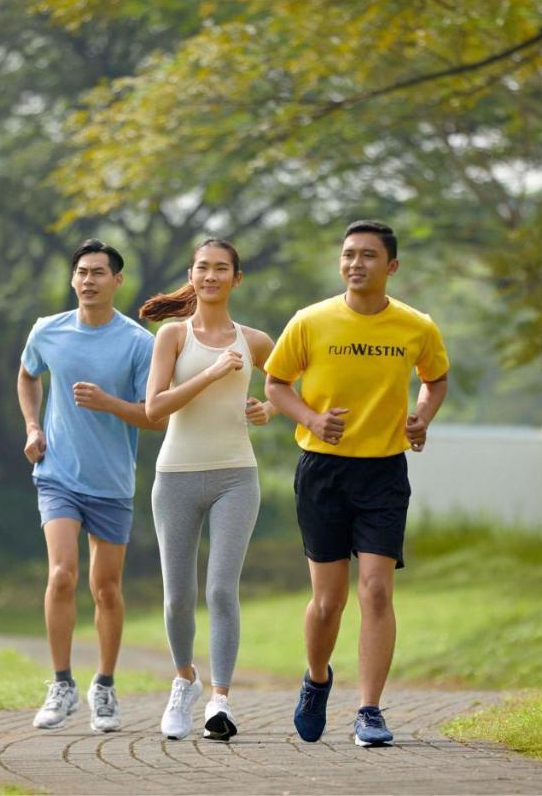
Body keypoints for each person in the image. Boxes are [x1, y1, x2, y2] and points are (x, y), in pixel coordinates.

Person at [263, 220, 449, 747]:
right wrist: (312, 417)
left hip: (384, 471)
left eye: (368, 255)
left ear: (391, 266)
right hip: (323, 470)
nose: (355, 264)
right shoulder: (310, 321)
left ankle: (369, 711)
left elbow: (435, 380)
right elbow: (276, 385)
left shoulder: (416, 326)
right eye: (348, 255)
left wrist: (422, 417)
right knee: (328, 601)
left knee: (376, 589)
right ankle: (317, 679)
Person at [17, 238, 167, 733]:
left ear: (117, 281)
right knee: (62, 574)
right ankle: (60, 684)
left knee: (106, 589)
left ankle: (103, 686)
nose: (88, 280)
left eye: (98, 272)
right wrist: (33, 428)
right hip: (58, 474)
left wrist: (108, 404)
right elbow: (27, 375)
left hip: (112, 482)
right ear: (72, 278)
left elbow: (153, 417)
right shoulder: (48, 330)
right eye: (81, 272)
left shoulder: (138, 343)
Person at [139, 238, 276, 741]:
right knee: (178, 597)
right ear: (192, 275)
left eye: (222, 269)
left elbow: (288, 386)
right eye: (203, 268)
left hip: (236, 476)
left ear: (236, 278)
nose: (212, 276)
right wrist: (214, 372)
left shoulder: (255, 340)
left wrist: (269, 409)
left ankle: (221, 701)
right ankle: (184, 682)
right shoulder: (173, 336)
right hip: (175, 477)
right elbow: (154, 409)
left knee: (220, 589)